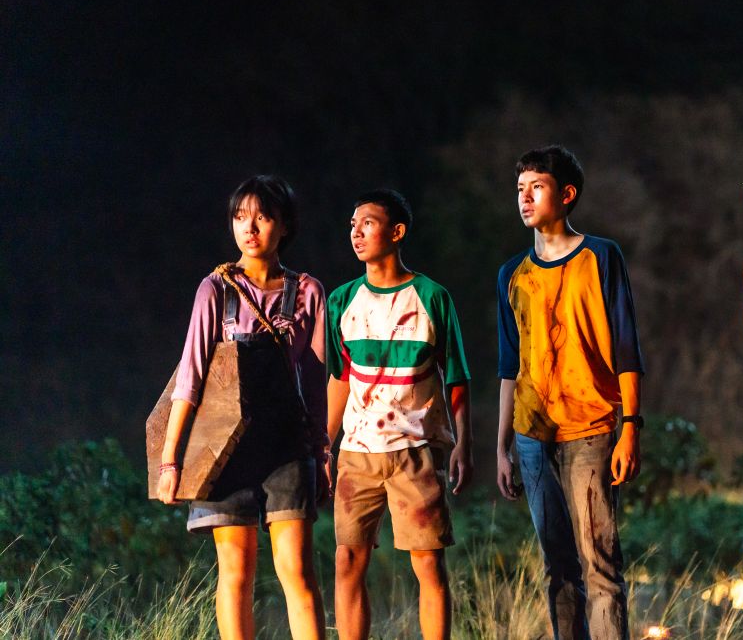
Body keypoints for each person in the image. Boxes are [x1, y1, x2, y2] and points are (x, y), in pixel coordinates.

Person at [156, 175, 329, 640]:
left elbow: (315, 382)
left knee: (297, 572)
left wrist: (323, 453)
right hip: (224, 449)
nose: (249, 228)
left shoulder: (308, 291)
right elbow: (190, 376)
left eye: (262, 217)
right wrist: (171, 461)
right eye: (240, 217)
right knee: (235, 572)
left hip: (288, 446)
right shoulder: (215, 288)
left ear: (284, 225)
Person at [496, 145, 644, 640]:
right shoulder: (512, 274)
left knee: (599, 564)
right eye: (520, 189)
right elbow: (509, 366)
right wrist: (502, 447)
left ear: (566, 194)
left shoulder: (600, 256)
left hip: (591, 427)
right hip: (532, 434)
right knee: (557, 567)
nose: (525, 197)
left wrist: (631, 427)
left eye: (536, 187)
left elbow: (626, 347)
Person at [326, 188, 472, 640]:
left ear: (397, 231)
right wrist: (323, 445)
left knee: (427, 562)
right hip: (357, 452)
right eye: (352, 225)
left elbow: (457, 377)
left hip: (416, 451)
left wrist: (463, 444)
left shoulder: (432, 297)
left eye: (367, 223)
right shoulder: (342, 301)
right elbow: (340, 379)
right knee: (348, 560)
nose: (356, 233)